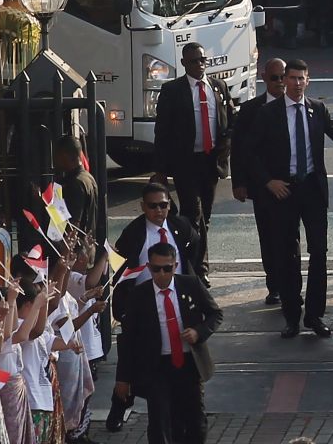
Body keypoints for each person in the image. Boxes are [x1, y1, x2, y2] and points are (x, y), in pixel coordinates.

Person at [251, 59, 333, 339]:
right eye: (291, 78)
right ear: (284, 81)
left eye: (300, 78)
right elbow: (251, 153)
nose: (295, 83)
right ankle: (292, 317)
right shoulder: (269, 113)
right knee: (287, 255)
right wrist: (268, 181)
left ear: (308, 81)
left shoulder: (317, 110)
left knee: (319, 252)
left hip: (313, 190)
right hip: (283, 191)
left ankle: (315, 315)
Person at [106, 181, 200, 432]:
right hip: (141, 305)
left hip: (172, 300)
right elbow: (119, 267)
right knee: (133, 357)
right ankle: (120, 403)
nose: (159, 211)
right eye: (153, 206)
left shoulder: (181, 226)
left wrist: (192, 278)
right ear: (143, 207)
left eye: (163, 205)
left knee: (164, 361)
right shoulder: (134, 232)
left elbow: (195, 245)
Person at [114, 242, 222, 444]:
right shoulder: (139, 296)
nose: (162, 274)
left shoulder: (191, 285)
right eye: (156, 269)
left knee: (195, 421)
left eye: (167, 268)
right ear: (148, 268)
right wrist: (123, 378)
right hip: (157, 367)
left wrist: (199, 332)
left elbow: (215, 314)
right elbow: (128, 339)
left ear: (175, 265)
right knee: (160, 422)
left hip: (188, 364)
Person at [151, 42, 234, 286]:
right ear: (184, 63)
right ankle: (198, 268)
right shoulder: (172, 90)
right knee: (192, 213)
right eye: (194, 61)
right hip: (185, 162)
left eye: (202, 60)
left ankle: (194, 263)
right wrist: (161, 169)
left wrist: (226, 145)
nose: (200, 65)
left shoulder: (218, 87)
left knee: (204, 216)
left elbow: (228, 121)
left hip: (210, 162)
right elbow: (162, 131)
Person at [230, 58, 287, 306]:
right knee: (267, 236)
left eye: (283, 77)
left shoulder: (296, 106)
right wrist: (239, 182)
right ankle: (274, 285)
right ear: (265, 78)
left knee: (289, 238)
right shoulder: (251, 109)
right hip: (262, 186)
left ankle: (289, 285)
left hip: (290, 185)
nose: (280, 83)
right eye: (275, 78)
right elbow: (240, 148)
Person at [52, 134, 97, 239]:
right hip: (88, 246)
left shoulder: (75, 183)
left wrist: (66, 248)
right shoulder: (88, 177)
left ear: (64, 155)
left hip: (76, 249)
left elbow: (74, 224)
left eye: (56, 155)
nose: (55, 160)